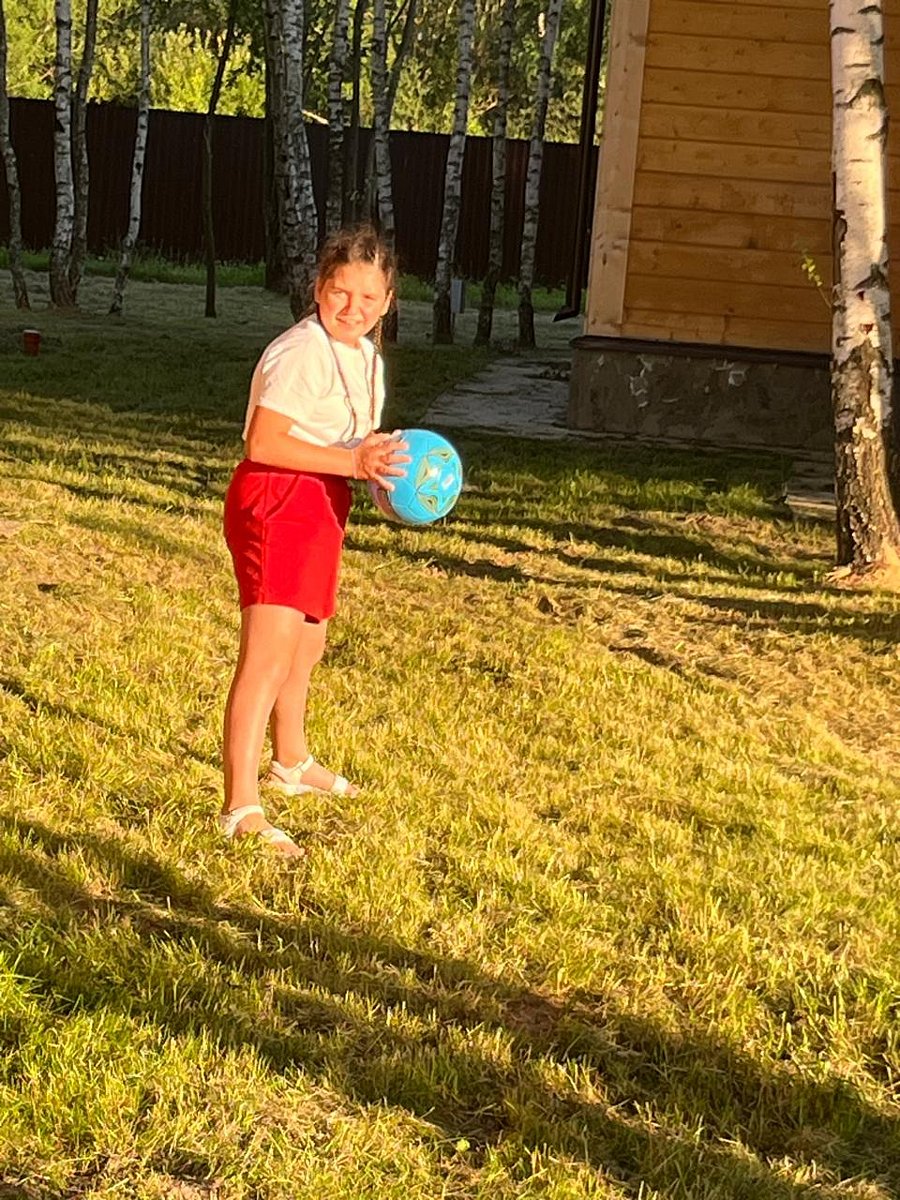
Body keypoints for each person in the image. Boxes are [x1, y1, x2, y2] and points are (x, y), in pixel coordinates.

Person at [220, 226, 409, 856]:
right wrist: (353, 463)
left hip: (322, 500)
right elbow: (263, 443)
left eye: (368, 297)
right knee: (267, 657)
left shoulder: (368, 357)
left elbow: (349, 441)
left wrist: (382, 467)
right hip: (275, 500)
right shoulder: (300, 351)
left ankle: (292, 762)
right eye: (340, 292)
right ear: (318, 288)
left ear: (387, 301)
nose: (353, 308)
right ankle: (240, 808)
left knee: (307, 645)